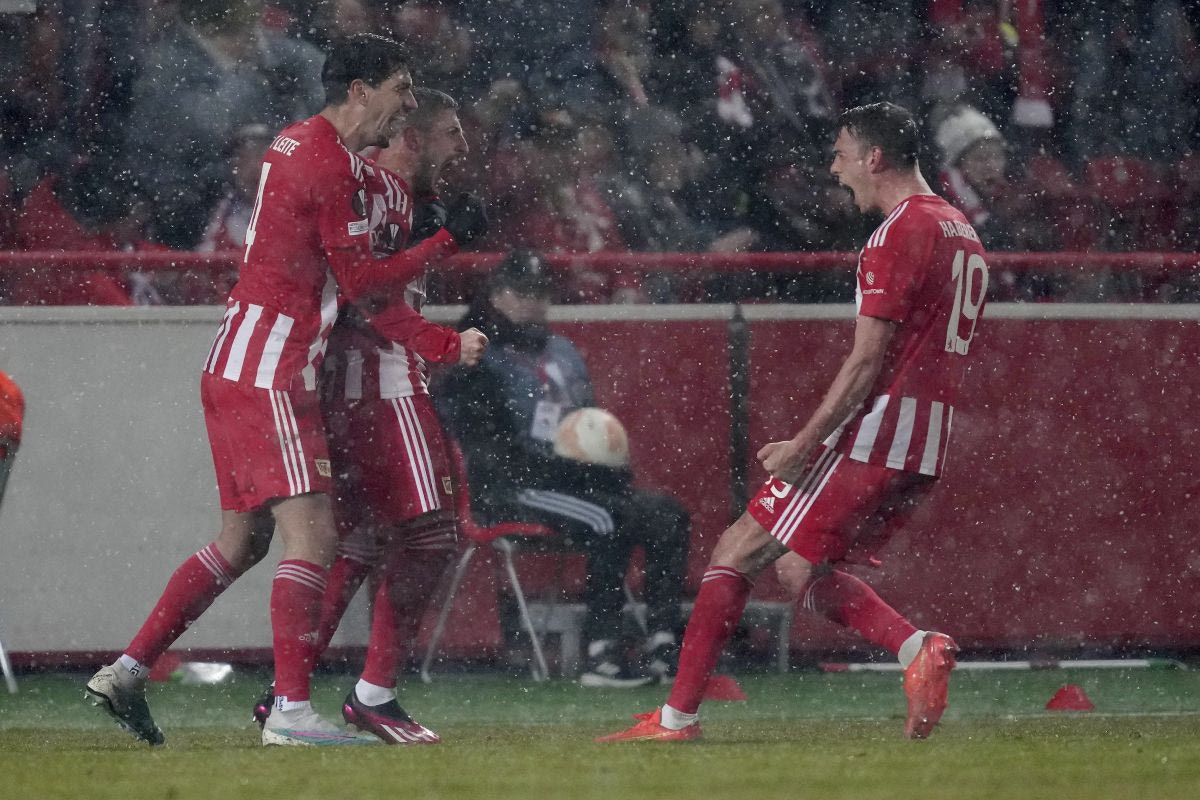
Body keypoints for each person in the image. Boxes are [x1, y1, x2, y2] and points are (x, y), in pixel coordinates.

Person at [85, 33, 484, 748]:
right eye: (400, 89)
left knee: (242, 543)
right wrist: (445, 244)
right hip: (274, 367)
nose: (409, 105)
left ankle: (126, 670)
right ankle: (290, 713)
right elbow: (361, 284)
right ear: (360, 90)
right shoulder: (330, 165)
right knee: (317, 536)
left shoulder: (294, 143)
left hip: (237, 357)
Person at [599, 101, 989, 742]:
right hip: (925, 437)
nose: (834, 170)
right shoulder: (959, 227)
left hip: (875, 430)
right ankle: (916, 647)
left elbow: (866, 362)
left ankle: (676, 720)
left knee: (737, 550)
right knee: (797, 568)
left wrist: (804, 444)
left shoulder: (897, 232)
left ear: (874, 157)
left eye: (840, 155)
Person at [250, 87, 488, 744]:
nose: (462, 147)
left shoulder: (386, 187)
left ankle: (287, 690)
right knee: (431, 536)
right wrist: (441, 320)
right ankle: (373, 695)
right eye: (449, 133)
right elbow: (367, 292)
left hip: (350, 383)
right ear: (413, 137)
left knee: (356, 542)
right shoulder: (377, 188)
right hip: (381, 380)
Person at [434, 250, 690, 687]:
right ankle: (602, 652)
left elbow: (582, 418)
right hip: (512, 488)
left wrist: (601, 465)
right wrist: (558, 469)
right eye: (522, 293)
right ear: (497, 296)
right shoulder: (477, 357)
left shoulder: (561, 351)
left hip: (572, 480)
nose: (534, 303)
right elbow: (485, 447)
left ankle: (664, 642)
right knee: (607, 520)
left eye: (540, 293)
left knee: (667, 515)